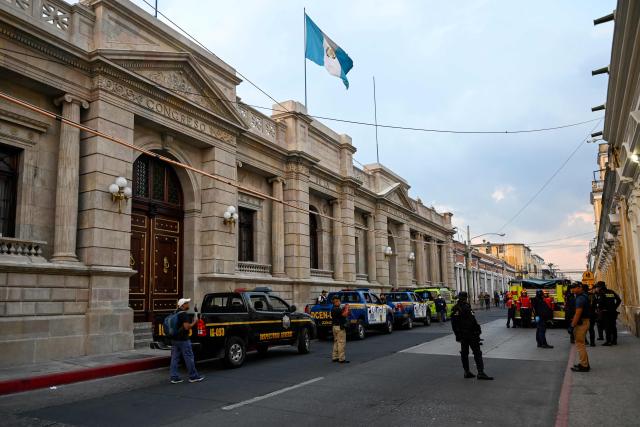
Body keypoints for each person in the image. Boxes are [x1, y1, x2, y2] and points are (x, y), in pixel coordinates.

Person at [451, 291, 493, 380]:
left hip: (462, 335)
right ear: (466, 298)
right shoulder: (467, 307)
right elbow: (472, 321)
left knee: (464, 353)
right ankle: (480, 372)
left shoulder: (455, 308)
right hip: (471, 334)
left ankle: (466, 372)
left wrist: (457, 335)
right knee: (477, 353)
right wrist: (478, 331)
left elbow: (454, 324)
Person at [169, 298, 204, 384]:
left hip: (174, 339)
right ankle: (193, 376)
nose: (188, 304)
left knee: (174, 358)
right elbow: (186, 327)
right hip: (183, 339)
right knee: (189, 357)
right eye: (187, 303)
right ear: (183, 305)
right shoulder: (183, 314)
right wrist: (194, 323)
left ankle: (174, 377)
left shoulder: (175, 312)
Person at [570, 283, 591, 372]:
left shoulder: (580, 298)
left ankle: (584, 365)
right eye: (572, 288)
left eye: (574, 288)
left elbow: (578, 313)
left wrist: (572, 326)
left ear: (579, 288)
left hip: (581, 323)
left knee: (580, 344)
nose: (573, 290)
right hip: (585, 321)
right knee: (581, 343)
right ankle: (585, 363)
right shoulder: (584, 296)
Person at [331, 295, 350, 363]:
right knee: (341, 342)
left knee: (336, 342)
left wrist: (345, 308)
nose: (340, 302)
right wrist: (347, 308)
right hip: (339, 327)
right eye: (339, 301)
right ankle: (341, 358)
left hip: (334, 327)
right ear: (335, 302)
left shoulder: (334, 308)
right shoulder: (337, 309)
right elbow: (344, 314)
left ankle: (335, 357)